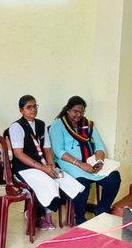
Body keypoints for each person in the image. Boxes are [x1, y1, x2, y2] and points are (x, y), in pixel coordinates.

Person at [9, 95, 85, 230]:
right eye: (29, 107)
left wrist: (51, 166)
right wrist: (43, 168)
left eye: (35, 106)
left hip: (42, 165)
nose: (33, 109)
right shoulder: (16, 127)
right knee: (47, 181)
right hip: (24, 168)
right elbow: (19, 154)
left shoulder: (41, 124)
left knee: (63, 178)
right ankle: (37, 216)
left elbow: (47, 148)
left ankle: (48, 215)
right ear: (21, 110)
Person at [49, 96, 121, 225]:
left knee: (114, 177)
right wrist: (80, 164)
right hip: (68, 163)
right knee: (82, 183)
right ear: (68, 110)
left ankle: (101, 210)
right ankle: (80, 218)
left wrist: (99, 162)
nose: (79, 115)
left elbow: (99, 146)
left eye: (82, 112)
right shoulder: (58, 125)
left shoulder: (87, 124)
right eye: (75, 111)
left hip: (89, 162)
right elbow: (58, 151)